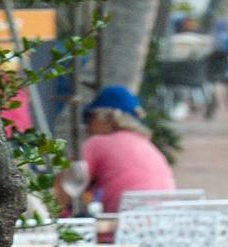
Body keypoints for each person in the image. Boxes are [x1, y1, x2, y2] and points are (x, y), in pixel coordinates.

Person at [61, 84, 173, 237]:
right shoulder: (149, 146)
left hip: (122, 237)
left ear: (107, 117)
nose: (86, 127)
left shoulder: (98, 143)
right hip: (161, 235)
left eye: (89, 118)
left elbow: (63, 191)